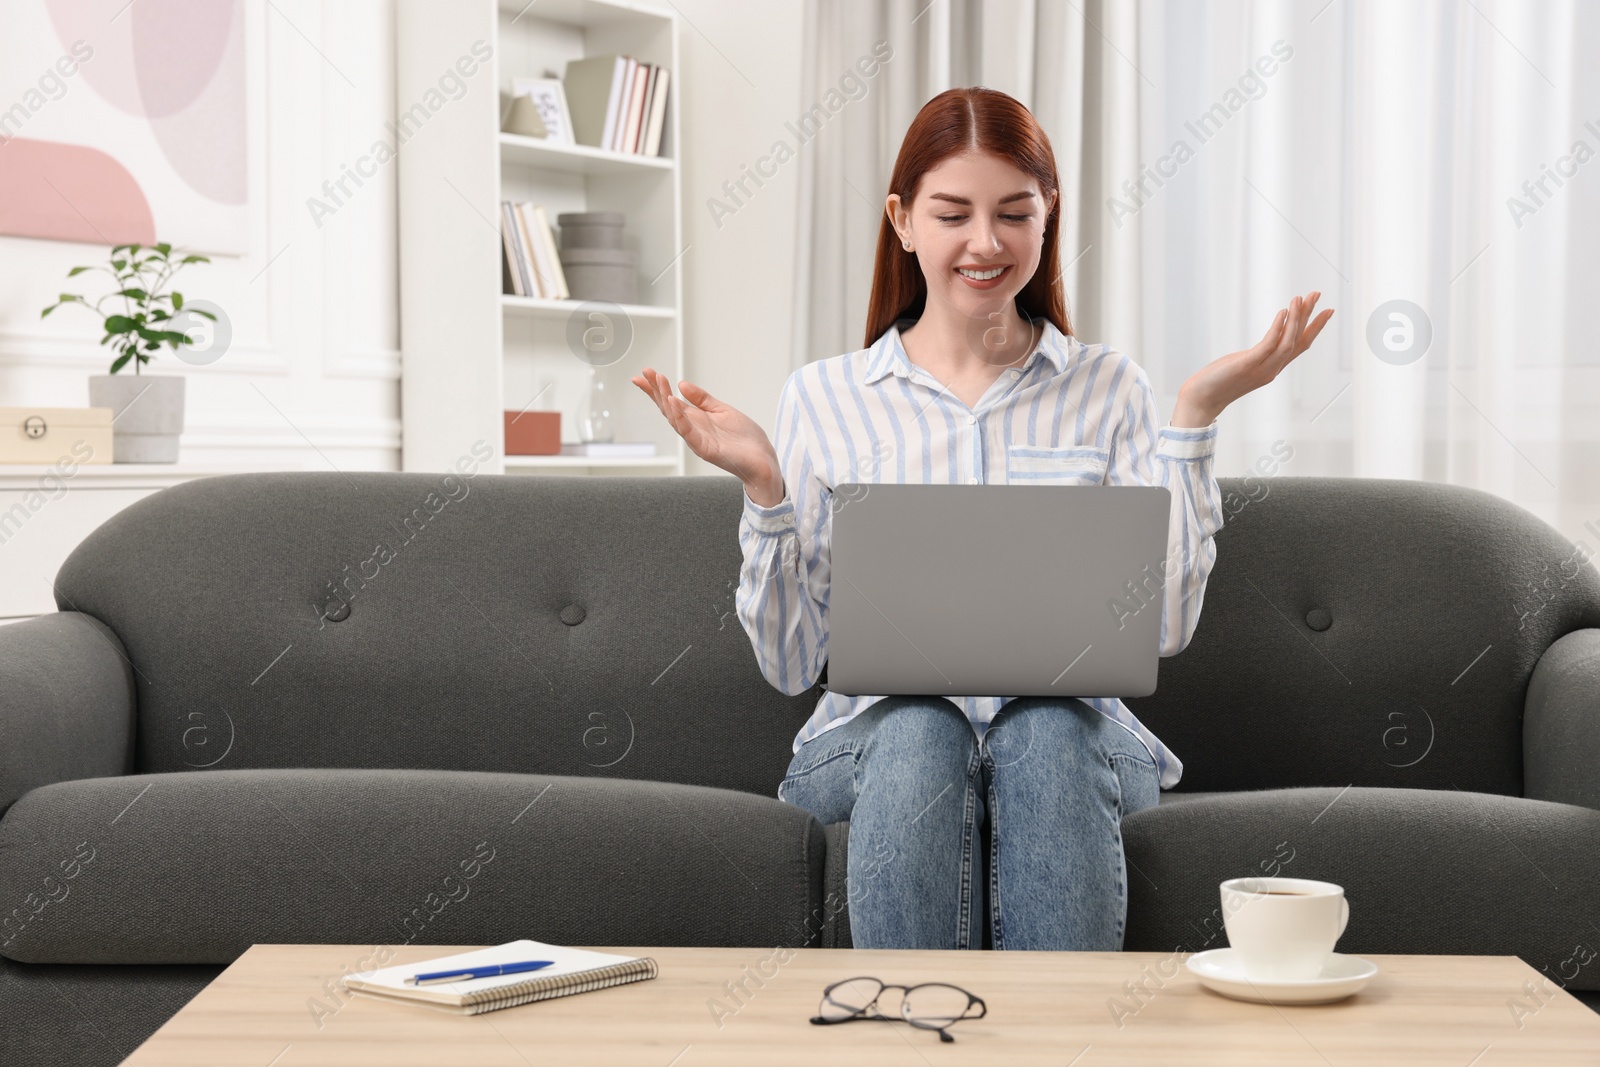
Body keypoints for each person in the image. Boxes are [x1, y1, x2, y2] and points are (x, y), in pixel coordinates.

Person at [633, 86, 1332, 952]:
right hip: (870, 748)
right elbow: (789, 666)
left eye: (1014, 213)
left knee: (1041, 727)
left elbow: (1164, 625)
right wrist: (767, 489)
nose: (986, 243)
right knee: (921, 726)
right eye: (953, 213)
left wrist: (1193, 417)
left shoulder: (1110, 389)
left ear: (1048, 218)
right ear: (903, 220)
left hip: (1072, 750)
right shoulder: (825, 397)